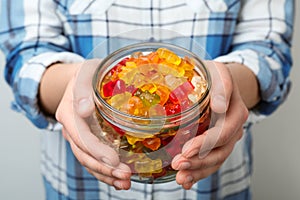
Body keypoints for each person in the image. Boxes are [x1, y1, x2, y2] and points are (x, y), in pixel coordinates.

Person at [0, 0, 294, 199]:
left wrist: (228, 87)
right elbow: (27, 55)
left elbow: (268, 51)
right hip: (79, 187)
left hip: (216, 185)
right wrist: (73, 84)